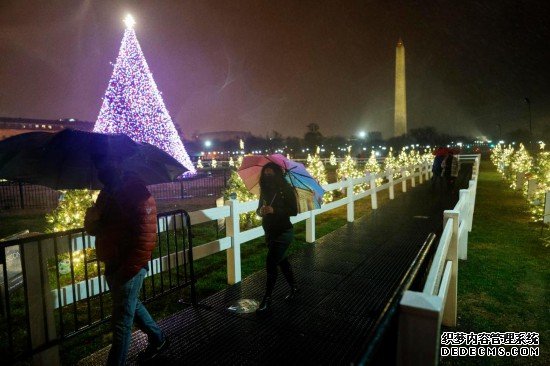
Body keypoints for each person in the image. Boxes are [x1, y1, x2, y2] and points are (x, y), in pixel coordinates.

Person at [84, 156, 168, 365]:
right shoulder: (106, 194)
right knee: (131, 306)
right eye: (99, 166)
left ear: (118, 164)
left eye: (104, 164)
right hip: (112, 261)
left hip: (129, 265)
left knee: (121, 322)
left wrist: (128, 269)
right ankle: (159, 339)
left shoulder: (137, 192)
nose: (101, 170)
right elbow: (96, 229)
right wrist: (91, 218)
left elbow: (146, 237)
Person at [255, 162, 299, 315]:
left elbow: (293, 211)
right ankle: (294, 287)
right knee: (281, 260)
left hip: (283, 232)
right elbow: (258, 209)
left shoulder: (286, 189)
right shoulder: (264, 190)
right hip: (269, 232)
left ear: (277, 173)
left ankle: (267, 298)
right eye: (265, 172)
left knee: (270, 263)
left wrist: (274, 210)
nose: (267, 175)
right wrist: (261, 211)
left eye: (270, 172)